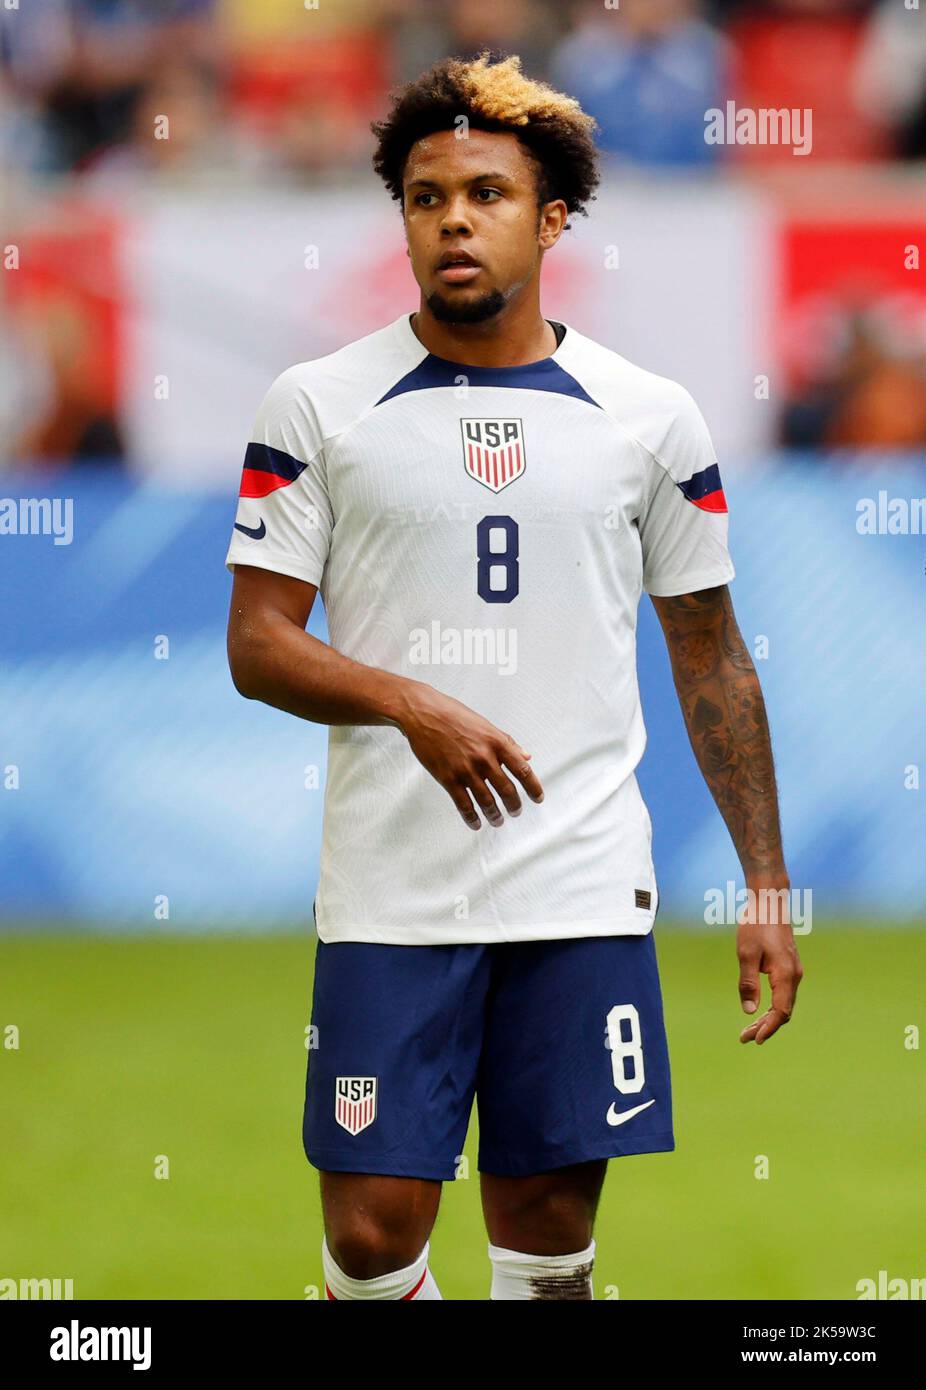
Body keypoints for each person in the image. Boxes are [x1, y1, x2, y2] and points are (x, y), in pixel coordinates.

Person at [225, 52, 802, 1301]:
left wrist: (764, 880)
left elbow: (710, 655)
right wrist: (409, 702)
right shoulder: (319, 405)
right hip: (392, 889)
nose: (452, 220)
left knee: (545, 1254)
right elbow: (256, 643)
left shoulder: (647, 418)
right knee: (372, 1246)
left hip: (581, 884)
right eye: (427, 197)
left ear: (548, 221)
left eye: (485, 194)